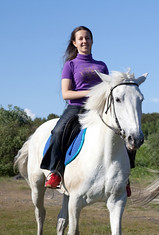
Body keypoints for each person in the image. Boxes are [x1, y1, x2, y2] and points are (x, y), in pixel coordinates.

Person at [40, 26, 109, 188]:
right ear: (75, 43)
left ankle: (125, 178)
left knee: (125, 131)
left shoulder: (102, 65)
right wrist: (90, 92)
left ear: (92, 41)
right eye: (81, 38)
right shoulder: (70, 65)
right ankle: (55, 172)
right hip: (76, 108)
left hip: (99, 109)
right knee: (58, 131)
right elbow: (66, 94)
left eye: (87, 38)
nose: (84, 41)